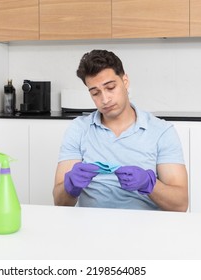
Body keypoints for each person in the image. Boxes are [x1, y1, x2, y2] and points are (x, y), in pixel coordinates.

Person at [53, 49, 188, 211]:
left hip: (144, 228)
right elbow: (59, 203)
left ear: (125, 81)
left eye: (110, 87)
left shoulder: (161, 131)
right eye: (95, 93)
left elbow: (180, 204)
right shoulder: (79, 129)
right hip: (91, 227)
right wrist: (70, 185)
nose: (105, 99)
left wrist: (149, 184)